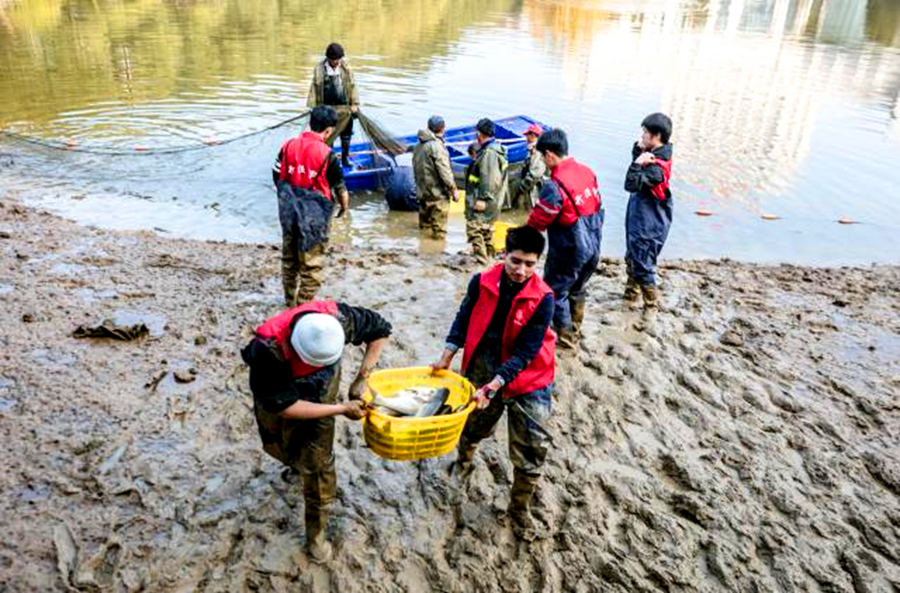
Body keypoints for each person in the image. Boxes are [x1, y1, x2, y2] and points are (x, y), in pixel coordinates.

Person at [242, 301, 392, 563]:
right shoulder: (265, 350)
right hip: (279, 394)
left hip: (323, 393)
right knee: (277, 441)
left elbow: (381, 330)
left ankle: (316, 536)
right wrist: (341, 409)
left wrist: (363, 376)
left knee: (319, 465)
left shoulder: (337, 319)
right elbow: (285, 407)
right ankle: (294, 462)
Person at [432, 226, 555, 540]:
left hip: (530, 376)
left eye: (530, 264)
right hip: (485, 361)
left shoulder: (544, 298)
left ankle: (519, 507)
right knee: (473, 423)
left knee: (532, 447)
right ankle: (464, 460)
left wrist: (497, 384)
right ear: (503, 254)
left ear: (537, 262)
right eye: (515, 261)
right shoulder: (481, 282)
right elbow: (463, 317)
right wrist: (448, 353)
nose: (521, 270)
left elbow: (528, 350)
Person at [526, 128, 602, 349]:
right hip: (593, 245)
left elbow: (538, 221)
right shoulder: (588, 172)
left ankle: (566, 337)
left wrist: (521, 241)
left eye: (542, 157)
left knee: (555, 292)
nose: (543, 161)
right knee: (578, 288)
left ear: (550, 154)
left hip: (570, 249)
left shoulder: (554, 185)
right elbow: (596, 207)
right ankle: (576, 328)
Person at [272, 105, 350, 306]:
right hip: (314, 215)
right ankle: (302, 307)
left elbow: (276, 174)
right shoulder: (327, 154)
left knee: (289, 260)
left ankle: (289, 301)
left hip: (288, 210)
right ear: (329, 130)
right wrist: (343, 207)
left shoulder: (288, 146)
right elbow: (340, 188)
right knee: (311, 265)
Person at [623, 113, 674, 316]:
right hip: (639, 214)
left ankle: (651, 306)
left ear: (656, 136)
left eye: (644, 133)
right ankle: (630, 295)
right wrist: (639, 153)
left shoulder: (656, 168)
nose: (641, 135)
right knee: (632, 257)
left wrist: (638, 163)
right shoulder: (654, 155)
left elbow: (631, 183)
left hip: (650, 220)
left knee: (642, 262)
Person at [307, 42, 360, 168]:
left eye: (338, 59)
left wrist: (355, 105)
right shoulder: (319, 69)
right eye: (334, 60)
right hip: (326, 109)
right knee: (327, 136)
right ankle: (329, 162)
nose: (336, 62)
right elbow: (313, 88)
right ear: (328, 58)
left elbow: (353, 87)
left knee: (346, 135)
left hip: (345, 109)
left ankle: (345, 159)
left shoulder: (346, 69)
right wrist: (313, 107)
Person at [465, 118, 509, 265]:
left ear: (479, 133)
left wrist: (482, 200)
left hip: (486, 200)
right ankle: (490, 262)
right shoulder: (495, 149)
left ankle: (482, 263)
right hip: (494, 200)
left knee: (474, 230)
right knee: (486, 232)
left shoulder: (490, 153)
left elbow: (490, 179)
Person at [412, 115, 458, 239]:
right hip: (437, 195)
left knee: (424, 228)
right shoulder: (437, 147)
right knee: (439, 232)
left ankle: (424, 252)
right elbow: (445, 171)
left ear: (428, 127)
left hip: (422, 193)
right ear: (443, 129)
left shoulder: (418, 145)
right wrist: (453, 189)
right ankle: (436, 253)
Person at [509, 123, 547, 210]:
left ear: (533, 135)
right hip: (529, 181)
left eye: (527, 135)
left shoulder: (538, 152)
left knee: (514, 186)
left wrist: (521, 187)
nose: (526, 138)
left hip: (534, 186)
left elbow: (535, 175)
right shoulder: (532, 149)